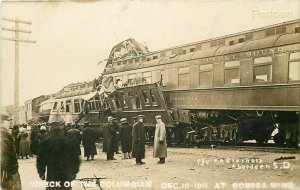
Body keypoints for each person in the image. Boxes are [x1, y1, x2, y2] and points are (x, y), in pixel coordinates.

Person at [36, 122, 80, 190]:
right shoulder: (68, 142)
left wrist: (41, 172)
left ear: (50, 131)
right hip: (65, 173)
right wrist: (74, 171)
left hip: (52, 173)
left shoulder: (46, 143)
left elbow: (40, 160)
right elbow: (75, 158)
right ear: (61, 131)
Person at [1, 113, 22, 190]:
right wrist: (6, 171)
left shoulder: (5, 133)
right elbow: (4, 155)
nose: (10, 122)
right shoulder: (2, 135)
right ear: (2, 121)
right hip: (8, 170)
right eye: (8, 120)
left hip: (10, 169)